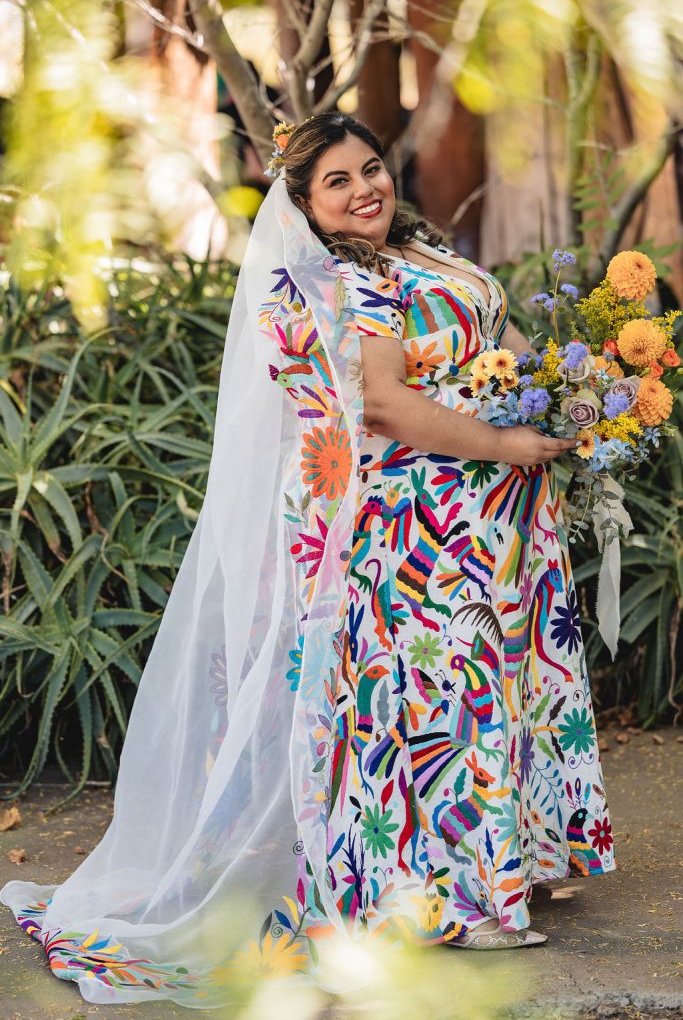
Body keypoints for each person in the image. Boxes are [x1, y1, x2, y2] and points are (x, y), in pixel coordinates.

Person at [1, 113, 615, 1007]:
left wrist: (576, 395)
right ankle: (441, 897)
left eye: (371, 167)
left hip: (500, 526)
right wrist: (508, 443)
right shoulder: (336, 281)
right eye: (339, 180)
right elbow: (384, 406)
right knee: (445, 704)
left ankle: (511, 859)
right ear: (302, 201)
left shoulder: (420, 251)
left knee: (500, 686)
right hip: (423, 532)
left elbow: (498, 340)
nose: (366, 187)